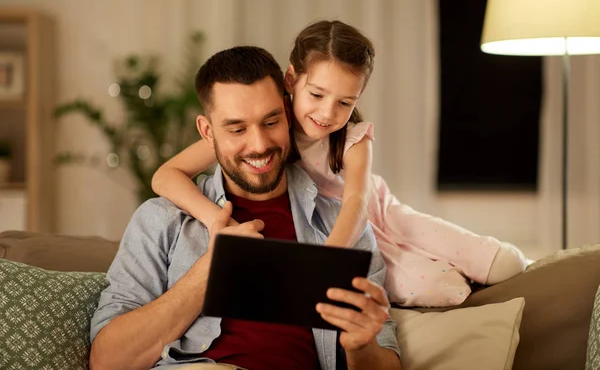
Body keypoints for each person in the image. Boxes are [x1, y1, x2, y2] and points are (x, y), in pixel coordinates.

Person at [151, 20, 527, 308]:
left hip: (375, 215)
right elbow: (166, 176)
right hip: (349, 233)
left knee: (505, 265)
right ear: (291, 79)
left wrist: (325, 259)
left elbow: (357, 203)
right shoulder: (266, 126)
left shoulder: (353, 140)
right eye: (316, 94)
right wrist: (218, 220)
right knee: (446, 288)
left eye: (345, 103)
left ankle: (489, 260)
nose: (327, 113)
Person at [89, 46, 401, 370]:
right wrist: (212, 269)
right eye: (237, 129)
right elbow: (107, 361)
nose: (259, 145)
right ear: (207, 132)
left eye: (271, 121)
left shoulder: (343, 227)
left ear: (288, 111)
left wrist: (361, 347)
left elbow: (385, 362)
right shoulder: (162, 220)